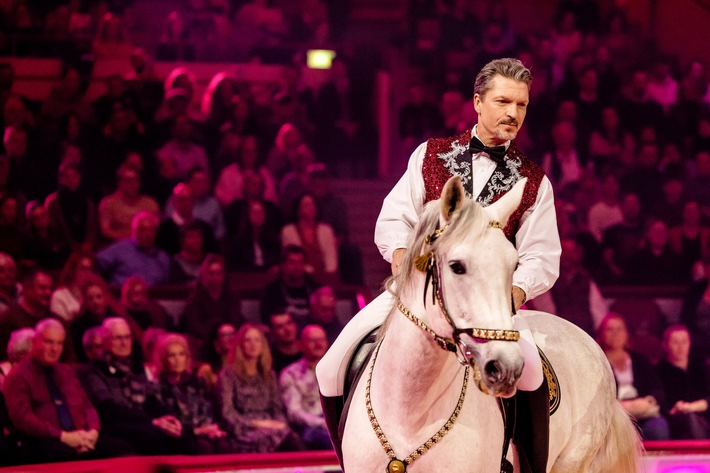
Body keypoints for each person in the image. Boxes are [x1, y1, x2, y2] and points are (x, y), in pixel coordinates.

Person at [317, 57, 560, 400]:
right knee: (330, 367)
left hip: (490, 304)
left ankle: (532, 456)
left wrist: (514, 293)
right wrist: (401, 255)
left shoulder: (534, 180)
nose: (513, 113)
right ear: (477, 102)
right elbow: (394, 217)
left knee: (533, 376)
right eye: (503, 101)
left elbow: (542, 255)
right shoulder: (430, 154)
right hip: (418, 294)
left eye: (521, 104)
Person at [2, 319, 134, 462]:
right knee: (62, 454)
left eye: (60, 343)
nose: (55, 349)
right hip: (42, 439)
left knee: (123, 450)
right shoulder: (18, 375)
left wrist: (93, 432)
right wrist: (63, 436)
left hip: (80, 436)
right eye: (48, 342)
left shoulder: (66, 372)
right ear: (34, 342)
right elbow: (23, 419)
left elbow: (88, 407)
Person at [80, 318, 184, 455]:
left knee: (179, 435)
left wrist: (168, 418)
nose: (124, 342)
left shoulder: (136, 367)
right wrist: (152, 421)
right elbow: (108, 409)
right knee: (150, 436)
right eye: (118, 338)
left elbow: (150, 401)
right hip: (114, 425)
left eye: (127, 337)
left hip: (142, 421)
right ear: (105, 341)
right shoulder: (94, 369)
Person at [217, 323, 303, 453]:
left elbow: (277, 409)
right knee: (278, 439)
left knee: (291, 436)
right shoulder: (228, 376)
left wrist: (279, 424)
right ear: (240, 345)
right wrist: (258, 424)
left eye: (257, 340)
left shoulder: (269, 375)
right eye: (248, 340)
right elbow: (228, 414)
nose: (253, 345)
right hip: (243, 430)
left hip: (272, 428)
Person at [152, 333, 232, 454]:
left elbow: (209, 412)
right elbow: (169, 422)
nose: (177, 360)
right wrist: (196, 431)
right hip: (179, 436)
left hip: (204, 431)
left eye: (181, 354)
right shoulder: (157, 387)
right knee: (203, 447)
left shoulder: (198, 382)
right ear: (164, 359)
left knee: (224, 445)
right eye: (171, 355)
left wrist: (211, 429)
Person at [597, 313, 670, 440]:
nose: (615, 334)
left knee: (658, 429)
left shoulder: (639, 360)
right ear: (602, 334)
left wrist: (648, 400)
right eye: (610, 329)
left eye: (619, 329)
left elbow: (658, 390)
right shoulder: (597, 362)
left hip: (642, 411)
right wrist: (620, 406)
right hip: (613, 416)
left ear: (626, 334)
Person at [279, 324, 331, 450]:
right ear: (301, 345)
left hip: (334, 424)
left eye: (322, 339)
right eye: (313, 340)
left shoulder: (336, 371)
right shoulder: (290, 374)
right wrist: (322, 423)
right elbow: (294, 412)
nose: (318, 344)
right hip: (310, 428)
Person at [656, 324, 710, 439]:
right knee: (689, 418)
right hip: (677, 420)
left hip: (703, 413)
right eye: (675, 342)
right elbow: (661, 404)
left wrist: (692, 407)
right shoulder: (659, 371)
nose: (680, 347)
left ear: (690, 343)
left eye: (684, 342)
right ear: (665, 345)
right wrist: (680, 409)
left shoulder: (701, 367)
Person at [96, 211, 171, 285]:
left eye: (152, 230)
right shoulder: (119, 250)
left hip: (154, 295)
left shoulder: (162, 257)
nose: (148, 234)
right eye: (142, 230)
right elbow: (94, 264)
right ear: (133, 230)